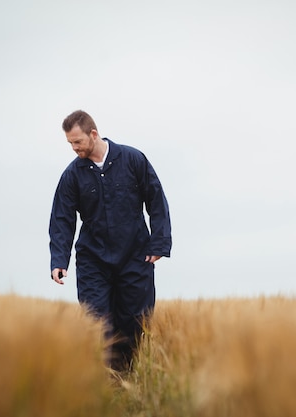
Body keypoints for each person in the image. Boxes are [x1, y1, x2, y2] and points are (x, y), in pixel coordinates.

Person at [49, 110, 172, 372]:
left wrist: (158, 243)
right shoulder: (72, 175)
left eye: (78, 142)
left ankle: (127, 374)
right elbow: (62, 218)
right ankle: (104, 379)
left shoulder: (132, 159)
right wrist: (59, 259)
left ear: (93, 134)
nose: (74, 148)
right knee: (96, 320)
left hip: (135, 256)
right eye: (70, 143)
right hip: (94, 259)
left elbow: (156, 200)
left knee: (134, 320)